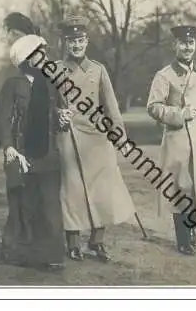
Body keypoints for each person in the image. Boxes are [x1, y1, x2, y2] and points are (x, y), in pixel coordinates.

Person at [55, 16, 135, 262]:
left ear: (86, 41)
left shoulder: (98, 69)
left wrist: (119, 133)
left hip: (98, 136)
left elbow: (111, 105)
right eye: (71, 41)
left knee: (103, 189)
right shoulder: (56, 69)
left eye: (80, 40)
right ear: (65, 43)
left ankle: (97, 241)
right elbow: (46, 103)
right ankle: (72, 242)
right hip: (69, 135)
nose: (76, 45)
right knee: (72, 189)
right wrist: (57, 113)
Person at [146, 25, 196, 256]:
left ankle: (192, 228)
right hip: (178, 140)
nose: (187, 47)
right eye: (182, 43)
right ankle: (183, 238)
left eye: (190, 43)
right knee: (181, 190)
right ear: (174, 46)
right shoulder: (164, 75)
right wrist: (180, 115)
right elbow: (153, 107)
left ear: (195, 46)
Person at [0, 34, 66, 271]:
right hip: (21, 153)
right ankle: (16, 252)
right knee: (22, 206)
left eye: (45, 53)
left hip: (48, 153)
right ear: (27, 58)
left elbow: (57, 114)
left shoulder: (51, 82)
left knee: (49, 205)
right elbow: (5, 120)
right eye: (40, 53)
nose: (44, 57)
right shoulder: (12, 85)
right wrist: (9, 147)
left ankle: (51, 254)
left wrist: (62, 117)